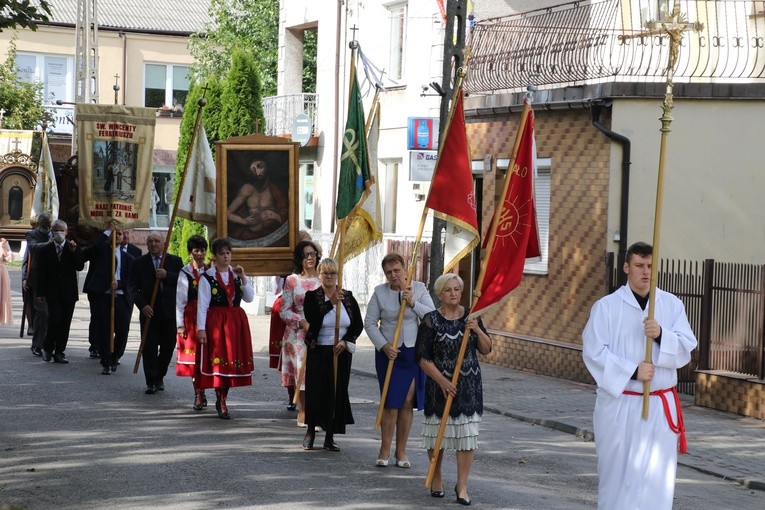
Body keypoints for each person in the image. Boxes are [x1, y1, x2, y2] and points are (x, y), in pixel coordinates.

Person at [582, 241, 697, 510]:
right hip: (621, 403)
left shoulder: (671, 305)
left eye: (650, 266)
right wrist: (633, 371)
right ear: (626, 267)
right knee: (618, 475)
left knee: (657, 478)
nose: (646, 272)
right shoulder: (606, 307)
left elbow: (686, 348)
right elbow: (593, 352)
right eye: (639, 266)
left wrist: (661, 336)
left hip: (658, 404)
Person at [415, 273, 492, 505]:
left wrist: (477, 329)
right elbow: (422, 357)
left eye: (457, 289)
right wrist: (442, 381)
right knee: (435, 434)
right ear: (440, 294)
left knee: (466, 437)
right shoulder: (430, 320)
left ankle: (463, 486)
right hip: (439, 385)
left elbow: (487, 349)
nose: (454, 294)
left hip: (468, 385)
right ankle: (437, 478)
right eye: (448, 290)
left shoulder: (472, 316)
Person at [364, 253, 435, 468]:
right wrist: (384, 346)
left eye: (397, 270)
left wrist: (413, 303)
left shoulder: (420, 289)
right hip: (389, 353)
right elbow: (369, 323)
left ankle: (401, 451)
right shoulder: (379, 293)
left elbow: (432, 318)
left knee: (406, 401)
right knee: (390, 402)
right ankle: (384, 449)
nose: (393, 275)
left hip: (413, 353)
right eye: (389, 272)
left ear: (405, 269)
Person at [301, 257, 362, 451]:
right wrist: (330, 303)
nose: (329, 277)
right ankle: (311, 430)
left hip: (340, 351)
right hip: (319, 349)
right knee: (316, 391)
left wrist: (346, 341)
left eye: (332, 273)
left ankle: (329, 436)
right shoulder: (312, 297)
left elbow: (357, 325)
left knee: (336, 392)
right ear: (319, 275)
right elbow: (313, 319)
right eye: (325, 273)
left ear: (338, 275)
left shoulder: (348, 297)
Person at [196, 238, 255, 419]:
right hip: (216, 323)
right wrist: (201, 329)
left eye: (228, 253)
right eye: (222, 253)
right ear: (215, 256)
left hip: (235, 323)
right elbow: (202, 304)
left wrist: (244, 278)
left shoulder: (237, 276)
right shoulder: (207, 277)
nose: (226, 256)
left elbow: (250, 298)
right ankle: (220, 399)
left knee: (230, 362)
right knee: (219, 361)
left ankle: (224, 397)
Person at [128, 232, 183, 395]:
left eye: (157, 241)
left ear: (164, 244)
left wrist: (167, 275)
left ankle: (160, 376)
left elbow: (184, 280)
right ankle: (151, 381)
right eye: (150, 241)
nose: (153, 244)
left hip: (169, 313)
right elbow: (132, 287)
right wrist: (142, 305)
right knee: (149, 348)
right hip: (149, 313)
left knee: (167, 348)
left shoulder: (174, 261)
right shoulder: (139, 263)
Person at [279, 240, 322, 425]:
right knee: (303, 374)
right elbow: (284, 310)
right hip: (298, 335)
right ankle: (304, 411)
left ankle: (318, 412)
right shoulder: (292, 280)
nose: (310, 258)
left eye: (312, 254)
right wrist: (301, 322)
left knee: (319, 373)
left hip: (322, 332)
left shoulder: (324, 278)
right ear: (299, 259)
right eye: (305, 255)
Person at [83, 224, 135, 374]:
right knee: (104, 329)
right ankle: (105, 361)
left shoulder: (129, 258)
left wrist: (119, 284)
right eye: (115, 233)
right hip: (104, 296)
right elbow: (97, 245)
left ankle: (115, 356)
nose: (117, 236)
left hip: (121, 297)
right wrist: (107, 229)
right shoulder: (103, 251)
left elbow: (131, 280)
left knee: (122, 330)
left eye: (120, 234)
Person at [35, 220, 84, 363]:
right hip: (53, 292)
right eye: (56, 230)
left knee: (65, 323)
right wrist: (40, 293)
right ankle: (48, 348)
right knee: (55, 320)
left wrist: (74, 251)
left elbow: (80, 266)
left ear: (67, 232)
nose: (59, 233)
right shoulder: (46, 249)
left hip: (69, 292)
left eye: (62, 230)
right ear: (52, 231)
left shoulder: (72, 247)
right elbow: (41, 273)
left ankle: (60, 352)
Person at [176, 235, 209, 410]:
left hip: (209, 317)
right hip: (191, 318)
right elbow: (180, 300)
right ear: (190, 253)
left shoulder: (211, 270)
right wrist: (180, 324)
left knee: (209, 356)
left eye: (203, 250)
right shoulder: (185, 272)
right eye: (196, 250)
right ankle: (198, 392)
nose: (200, 254)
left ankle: (216, 393)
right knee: (195, 358)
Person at [226, 158, 289, 245]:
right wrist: (244, 221)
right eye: (253, 170)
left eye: (260, 167)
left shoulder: (274, 189)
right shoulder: (247, 189)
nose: (257, 173)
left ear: (267, 167)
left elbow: (287, 211)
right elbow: (228, 213)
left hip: (274, 236)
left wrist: (276, 216)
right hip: (250, 236)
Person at [22, 211, 52, 354]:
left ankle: (51, 344)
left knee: (53, 314)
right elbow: (33, 248)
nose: (49, 226)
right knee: (42, 313)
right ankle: (37, 344)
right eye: (47, 224)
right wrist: (48, 243)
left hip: (55, 280)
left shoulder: (56, 234)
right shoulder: (33, 235)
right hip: (38, 280)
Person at [0, 237, 13, 325]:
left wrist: (2, 247)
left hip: (1, 272)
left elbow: (9, 257)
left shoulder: (3, 242)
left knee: (2, 295)